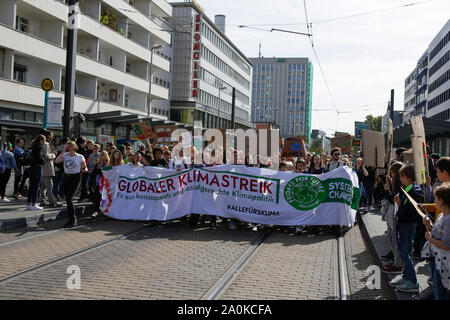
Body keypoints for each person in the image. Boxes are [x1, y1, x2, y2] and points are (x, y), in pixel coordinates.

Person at [390, 165, 423, 293]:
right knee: (404, 251)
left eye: (401, 176)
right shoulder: (407, 188)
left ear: (405, 176)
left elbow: (411, 211)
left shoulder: (413, 191)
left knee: (405, 251)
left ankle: (412, 281)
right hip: (404, 224)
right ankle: (406, 277)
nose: (400, 179)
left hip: (408, 224)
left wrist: (399, 204)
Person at [422, 183, 450, 300]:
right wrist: (428, 226)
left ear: (442, 201)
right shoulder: (441, 216)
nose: (434, 201)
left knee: (441, 294)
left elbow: (447, 245)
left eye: (436, 198)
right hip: (435, 259)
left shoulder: (448, 220)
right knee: (437, 291)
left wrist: (430, 239)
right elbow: (435, 233)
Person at [55, 141, 88, 228]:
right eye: (68, 147)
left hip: (75, 178)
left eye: (71, 146)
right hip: (66, 178)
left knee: (69, 197)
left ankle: (73, 219)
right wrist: (64, 150)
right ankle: (71, 218)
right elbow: (57, 161)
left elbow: (85, 168)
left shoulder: (80, 157)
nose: (69, 148)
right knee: (67, 198)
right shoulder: (65, 155)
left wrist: (84, 170)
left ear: (74, 147)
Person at [381, 161, 403, 274]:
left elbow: (392, 198)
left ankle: (398, 263)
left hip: (395, 213)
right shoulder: (394, 182)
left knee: (395, 238)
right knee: (390, 236)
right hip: (391, 212)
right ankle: (395, 259)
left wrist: (388, 188)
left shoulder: (400, 184)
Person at [26, 135, 46, 211]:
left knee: (31, 186)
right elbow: (39, 157)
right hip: (38, 167)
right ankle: (34, 204)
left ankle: (28, 204)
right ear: (41, 140)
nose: (45, 142)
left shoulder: (33, 146)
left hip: (32, 167)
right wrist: (43, 161)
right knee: (36, 186)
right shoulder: (40, 147)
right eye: (44, 140)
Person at [40, 130, 58, 207]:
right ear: (48, 136)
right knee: (50, 185)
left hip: (43, 167)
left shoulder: (42, 143)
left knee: (43, 186)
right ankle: (52, 201)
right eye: (51, 135)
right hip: (47, 167)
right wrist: (53, 155)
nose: (52, 136)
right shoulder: (46, 144)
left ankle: (43, 201)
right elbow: (46, 156)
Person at [91, 151, 109, 218]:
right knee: (97, 197)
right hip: (99, 183)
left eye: (105, 154)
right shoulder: (98, 163)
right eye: (102, 154)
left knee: (105, 197)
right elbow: (94, 173)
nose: (104, 155)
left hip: (107, 183)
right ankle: (95, 210)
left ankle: (105, 210)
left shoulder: (110, 163)